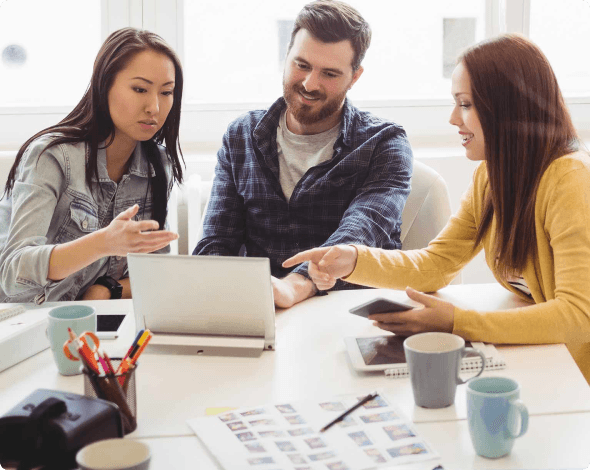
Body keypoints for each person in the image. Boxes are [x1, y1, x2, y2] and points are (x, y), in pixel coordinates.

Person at [284, 34, 590, 384]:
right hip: (549, 365)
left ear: (508, 107)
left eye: (465, 104)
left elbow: (579, 316)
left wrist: (458, 323)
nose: (452, 119)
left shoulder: (571, 179)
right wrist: (352, 260)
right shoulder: (491, 177)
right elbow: (438, 263)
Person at [193, 0, 413, 309]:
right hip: (261, 308)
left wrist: (297, 285)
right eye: (302, 65)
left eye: (330, 74)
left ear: (355, 76)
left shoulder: (385, 143)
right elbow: (217, 242)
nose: (310, 84)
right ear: (286, 57)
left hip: (351, 313)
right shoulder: (241, 136)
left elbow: (361, 231)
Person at [0, 27, 184, 303]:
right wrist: (101, 244)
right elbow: (13, 274)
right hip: (24, 324)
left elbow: (153, 272)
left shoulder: (157, 166)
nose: (154, 107)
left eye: (166, 92)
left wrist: (108, 289)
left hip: (91, 324)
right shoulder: (52, 157)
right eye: (140, 89)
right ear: (104, 85)